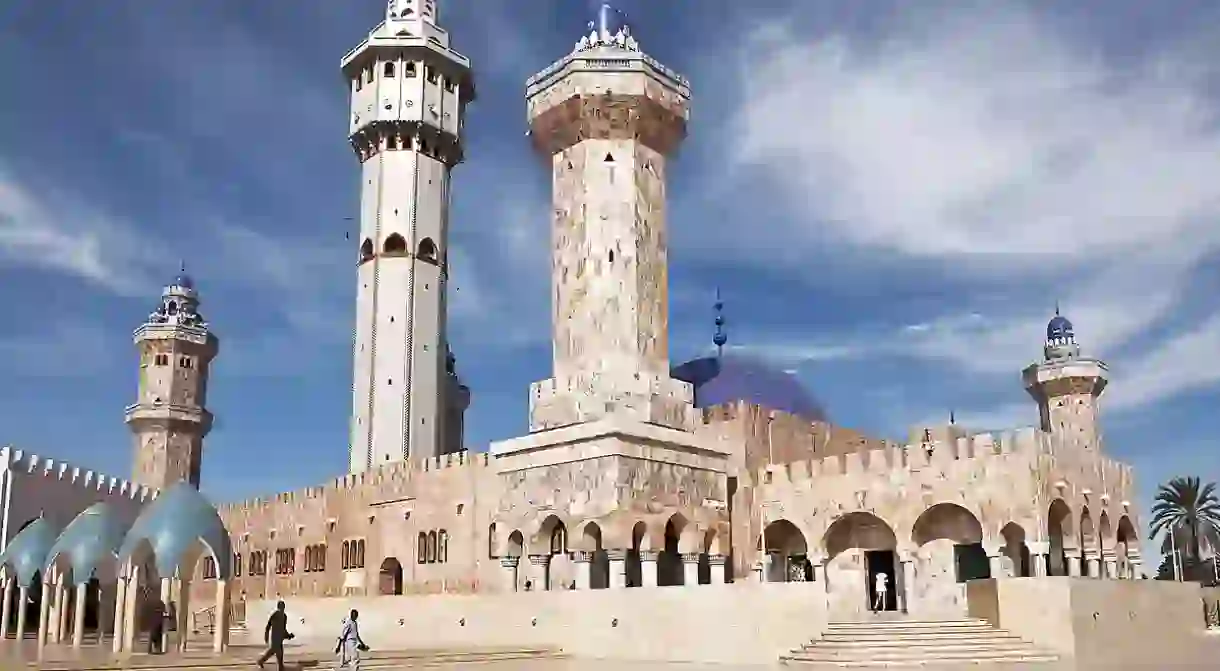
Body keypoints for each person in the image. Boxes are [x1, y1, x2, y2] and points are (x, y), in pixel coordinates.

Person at [257, 601, 294, 670]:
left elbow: (282, 628)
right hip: (276, 636)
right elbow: (269, 625)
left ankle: (262, 661)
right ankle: (280, 666)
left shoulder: (282, 616)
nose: (282, 609)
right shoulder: (278, 615)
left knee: (274, 651)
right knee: (277, 651)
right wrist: (288, 636)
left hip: (278, 637)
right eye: (281, 607)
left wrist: (288, 636)